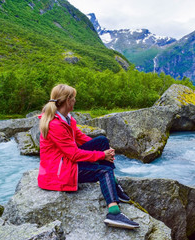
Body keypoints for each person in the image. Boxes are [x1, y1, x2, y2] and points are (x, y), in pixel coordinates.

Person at [37, 84, 139, 229]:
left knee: (102, 141)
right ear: (68, 100)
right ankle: (114, 213)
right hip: (58, 173)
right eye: (74, 98)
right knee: (104, 170)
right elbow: (74, 154)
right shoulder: (55, 125)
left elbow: (80, 138)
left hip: (66, 163)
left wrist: (105, 151)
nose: (75, 101)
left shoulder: (66, 119)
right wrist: (101, 155)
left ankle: (113, 184)